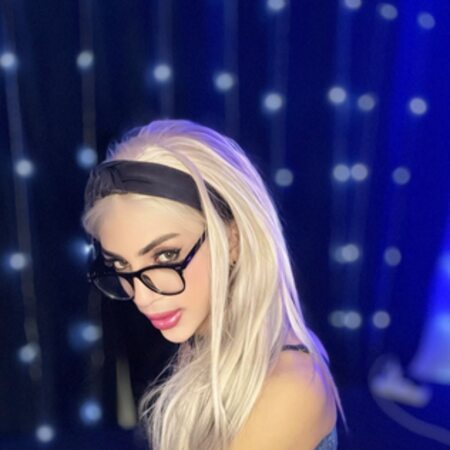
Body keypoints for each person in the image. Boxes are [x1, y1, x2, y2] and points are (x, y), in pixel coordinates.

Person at [82, 119, 345, 450]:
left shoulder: (285, 390)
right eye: (121, 265)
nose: (143, 297)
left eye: (166, 256)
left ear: (232, 238)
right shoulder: (205, 342)